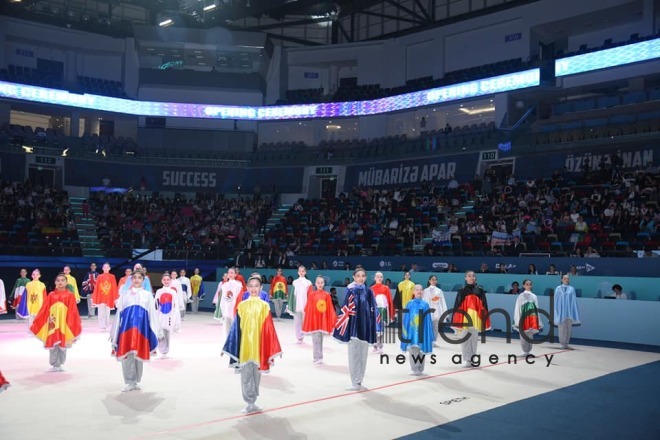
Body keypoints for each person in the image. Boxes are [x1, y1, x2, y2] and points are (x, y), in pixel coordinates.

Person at [222, 275, 282, 413]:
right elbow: (236, 329)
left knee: (256, 374)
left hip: (258, 346)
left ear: (261, 288)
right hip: (245, 347)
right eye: (251, 286)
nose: (254, 289)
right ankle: (248, 401)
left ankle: (253, 400)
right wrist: (229, 347)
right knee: (246, 375)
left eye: (256, 286)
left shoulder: (264, 305)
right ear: (247, 288)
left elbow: (269, 329)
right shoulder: (241, 306)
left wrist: (273, 348)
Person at [111, 270, 161, 392]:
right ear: (131, 279)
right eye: (134, 277)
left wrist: (156, 331)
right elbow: (119, 314)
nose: (137, 279)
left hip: (141, 331)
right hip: (126, 330)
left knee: (139, 355)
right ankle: (129, 381)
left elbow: (152, 314)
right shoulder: (125, 294)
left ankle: (136, 380)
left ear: (143, 280)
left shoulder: (147, 295)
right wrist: (115, 332)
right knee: (127, 355)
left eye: (139, 277)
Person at [333, 267, 377, 391]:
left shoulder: (369, 292)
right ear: (354, 277)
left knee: (363, 355)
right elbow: (345, 310)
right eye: (358, 276)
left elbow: (373, 310)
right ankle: (354, 381)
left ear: (366, 278)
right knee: (353, 355)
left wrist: (374, 327)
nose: (361, 278)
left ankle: (359, 381)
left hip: (365, 328)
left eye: (363, 276)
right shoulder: (351, 292)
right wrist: (343, 328)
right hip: (353, 329)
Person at [30, 273, 82, 372]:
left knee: (64, 342)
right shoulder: (51, 295)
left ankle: (60, 363)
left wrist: (74, 322)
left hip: (64, 323)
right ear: (55, 282)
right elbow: (44, 309)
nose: (60, 282)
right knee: (53, 342)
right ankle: (54, 364)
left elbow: (73, 310)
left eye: (62, 280)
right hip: (52, 324)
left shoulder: (70, 295)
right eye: (58, 280)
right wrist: (38, 320)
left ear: (66, 282)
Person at [451, 271, 490, 367]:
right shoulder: (462, 290)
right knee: (465, 340)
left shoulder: (480, 290)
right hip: (464, 319)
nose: (471, 277)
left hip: (476, 319)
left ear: (475, 278)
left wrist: (485, 319)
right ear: (465, 278)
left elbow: (484, 305)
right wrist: (456, 320)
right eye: (469, 276)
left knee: (474, 340)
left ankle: (472, 358)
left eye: (473, 276)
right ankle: (467, 359)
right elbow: (457, 305)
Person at [302, 275, 337, 364]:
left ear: (324, 283)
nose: (320, 284)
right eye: (318, 283)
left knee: (320, 339)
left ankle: (320, 357)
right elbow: (308, 308)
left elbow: (329, 308)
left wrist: (333, 319)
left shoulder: (327, 295)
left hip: (322, 320)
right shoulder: (312, 295)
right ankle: (315, 357)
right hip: (314, 320)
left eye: (321, 283)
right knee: (315, 339)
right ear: (315, 284)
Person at [401, 284, 435, 376]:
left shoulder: (425, 305)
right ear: (413, 292)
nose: (419, 291)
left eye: (421, 290)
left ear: (423, 292)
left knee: (421, 350)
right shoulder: (409, 304)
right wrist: (405, 330)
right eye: (417, 290)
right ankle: (414, 368)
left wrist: (428, 332)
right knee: (413, 349)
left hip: (422, 331)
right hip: (412, 331)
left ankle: (420, 368)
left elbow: (428, 320)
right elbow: (406, 318)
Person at [155, 273, 181, 358]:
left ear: (170, 281)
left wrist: (176, 317)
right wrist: (155, 315)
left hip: (170, 316)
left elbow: (175, 305)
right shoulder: (159, 291)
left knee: (167, 333)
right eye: (164, 280)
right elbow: (156, 305)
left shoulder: (173, 292)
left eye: (168, 280)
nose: (166, 281)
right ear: (162, 281)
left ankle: (165, 351)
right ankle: (162, 349)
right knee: (160, 333)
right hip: (161, 315)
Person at [513, 279, 542, 356]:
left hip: (532, 318)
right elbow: (518, 308)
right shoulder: (521, 296)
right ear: (523, 285)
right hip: (523, 318)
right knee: (523, 334)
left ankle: (528, 350)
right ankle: (525, 350)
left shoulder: (534, 296)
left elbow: (536, 308)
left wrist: (537, 320)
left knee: (530, 334)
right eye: (527, 284)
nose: (528, 286)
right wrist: (517, 320)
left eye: (530, 284)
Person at [553, 274, 581, 350]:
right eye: (565, 278)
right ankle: (562, 343)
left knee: (569, 328)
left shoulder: (572, 289)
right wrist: (557, 311)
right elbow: (556, 300)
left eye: (568, 278)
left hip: (569, 312)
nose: (566, 280)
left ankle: (566, 343)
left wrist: (573, 312)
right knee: (562, 328)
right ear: (561, 279)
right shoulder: (558, 288)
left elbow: (574, 301)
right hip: (561, 311)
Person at [371, 272, 395, 353]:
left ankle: (380, 346)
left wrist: (390, 312)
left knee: (381, 329)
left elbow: (389, 300)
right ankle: (374, 346)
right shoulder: (371, 289)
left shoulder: (386, 288)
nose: (379, 278)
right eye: (377, 276)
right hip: (374, 311)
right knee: (374, 329)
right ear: (375, 278)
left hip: (383, 311)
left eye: (381, 277)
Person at [92, 263, 119, 331]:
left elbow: (114, 287)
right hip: (101, 296)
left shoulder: (112, 276)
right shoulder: (99, 276)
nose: (106, 268)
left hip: (109, 297)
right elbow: (97, 287)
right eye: (105, 267)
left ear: (109, 268)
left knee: (107, 311)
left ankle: (106, 324)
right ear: (102, 268)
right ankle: (102, 325)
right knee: (101, 311)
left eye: (107, 267)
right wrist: (95, 296)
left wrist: (115, 297)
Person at [422, 274, 448, 346]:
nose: (434, 281)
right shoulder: (425, 291)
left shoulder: (439, 291)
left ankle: (434, 341)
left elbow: (443, 302)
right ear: (429, 281)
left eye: (435, 280)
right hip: (428, 311)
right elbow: (423, 302)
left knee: (435, 326)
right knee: (427, 326)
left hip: (436, 311)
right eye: (432, 279)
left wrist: (445, 313)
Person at [289, 266, 312, 344]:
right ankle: (299, 337)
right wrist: (290, 305)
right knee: (297, 321)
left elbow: (310, 295)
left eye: (303, 271)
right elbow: (292, 295)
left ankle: (303, 335)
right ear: (298, 272)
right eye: (300, 271)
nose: (301, 272)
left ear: (305, 272)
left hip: (305, 305)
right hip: (297, 305)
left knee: (304, 321)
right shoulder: (295, 282)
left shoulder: (308, 283)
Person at [220, 268, 243, 337]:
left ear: (235, 274)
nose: (230, 274)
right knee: (226, 326)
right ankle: (227, 341)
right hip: (226, 307)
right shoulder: (224, 285)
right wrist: (222, 308)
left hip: (234, 307)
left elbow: (240, 297)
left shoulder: (238, 284)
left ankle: (234, 340)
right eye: (229, 273)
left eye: (232, 273)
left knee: (234, 325)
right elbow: (223, 298)